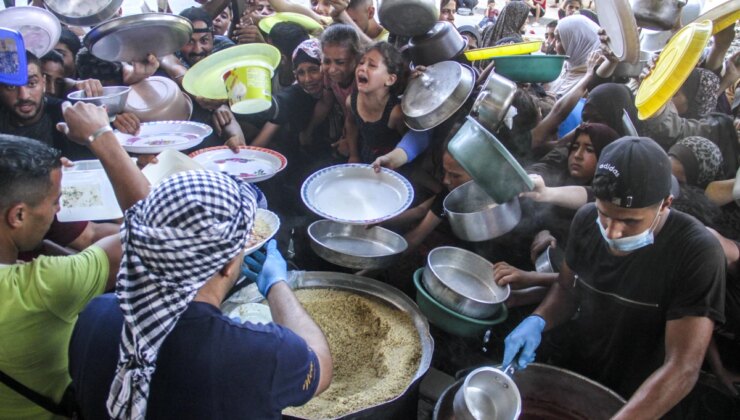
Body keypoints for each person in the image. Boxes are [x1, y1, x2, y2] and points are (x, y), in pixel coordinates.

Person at [68, 171, 332, 419]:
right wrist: (277, 285)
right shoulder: (262, 353)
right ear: (228, 265)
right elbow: (320, 363)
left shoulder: (94, 315)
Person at [504, 137, 725, 418]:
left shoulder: (696, 251)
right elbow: (567, 289)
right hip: (581, 371)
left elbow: (682, 367)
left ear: (665, 204)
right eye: (605, 215)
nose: (612, 233)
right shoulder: (585, 221)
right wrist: (538, 320)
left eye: (630, 221)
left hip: (645, 397)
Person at [0, 101, 149, 419]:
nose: (58, 211)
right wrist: (101, 136)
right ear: (18, 215)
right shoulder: (39, 287)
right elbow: (153, 232)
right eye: (56, 202)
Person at [344, 42, 406, 163]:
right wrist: (353, 154)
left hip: (391, 163)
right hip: (365, 155)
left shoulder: (396, 113)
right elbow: (351, 125)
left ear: (390, 79)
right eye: (361, 63)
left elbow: (407, 143)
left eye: (372, 65)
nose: (362, 67)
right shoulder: (351, 102)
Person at [546, 14, 601, 97]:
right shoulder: (565, 66)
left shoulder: (590, 81)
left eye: (558, 39)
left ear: (576, 42)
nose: (552, 43)